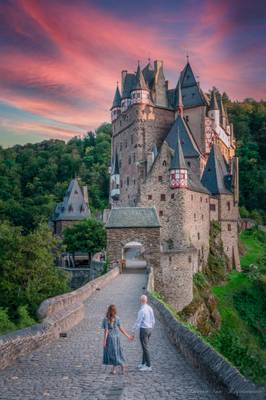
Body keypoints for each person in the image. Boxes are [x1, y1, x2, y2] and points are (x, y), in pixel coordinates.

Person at [102, 304, 133, 374]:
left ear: (108, 310)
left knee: (113, 353)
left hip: (110, 338)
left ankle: (119, 366)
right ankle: (117, 368)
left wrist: (104, 340)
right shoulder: (117, 318)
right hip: (117, 338)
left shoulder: (106, 319)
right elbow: (121, 328)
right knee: (117, 352)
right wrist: (128, 335)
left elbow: (106, 331)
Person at [132, 295, 155, 372]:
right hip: (149, 329)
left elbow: (138, 322)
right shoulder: (150, 308)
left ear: (141, 301)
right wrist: (151, 328)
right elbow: (153, 320)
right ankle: (143, 363)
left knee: (145, 348)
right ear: (146, 301)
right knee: (144, 347)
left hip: (144, 330)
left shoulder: (142, 311)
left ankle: (148, 365)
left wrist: (133, 331)